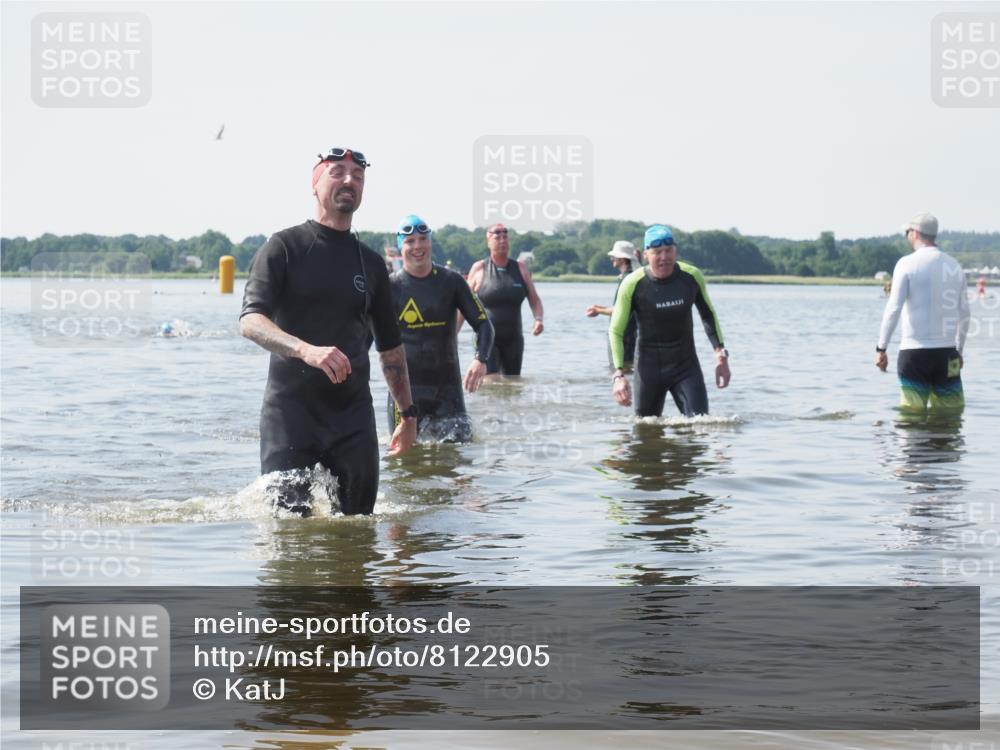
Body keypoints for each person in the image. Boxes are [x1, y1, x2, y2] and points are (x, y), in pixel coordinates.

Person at [239, 147, 416, 517]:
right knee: (289, 535)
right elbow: (251, 321)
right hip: (290, 416)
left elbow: (391, 350)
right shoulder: (283, 247)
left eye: (358, 176)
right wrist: (306, 350)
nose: (349, 180)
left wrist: (407, 415)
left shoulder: (371, 264)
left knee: (359, 530)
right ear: (314, 183)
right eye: (337, 172)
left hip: (353, 419)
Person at [388, 214, 495, 442]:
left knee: (459, 456)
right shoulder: (390, 287)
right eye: (410, 241)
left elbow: (484, 324)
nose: (417, 246)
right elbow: (366, 337)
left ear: (430, 242)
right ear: (401, 246)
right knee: (402, 459)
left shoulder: (452, 281)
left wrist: (480, 359)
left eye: (422, 239)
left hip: (448, 392)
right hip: (405, 395)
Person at [609, 224, 731, 417]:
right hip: (648, 369)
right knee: (645, 430)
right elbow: (616, 331)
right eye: (658, 252)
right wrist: (618, 375)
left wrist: (720, 355)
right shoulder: (632, 284)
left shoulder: (691, 277)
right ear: (646, 255)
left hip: (686, 367)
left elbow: (708, 314)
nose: (664, 257)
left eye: (668, 251)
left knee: (700, 424)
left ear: (676, 251)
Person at [876, 212, 970, 414]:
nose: (907, 235)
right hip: (947, 354)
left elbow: (893, 308)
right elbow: (964, 314)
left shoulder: (906, 264)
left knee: (911, 418)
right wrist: (959, 351)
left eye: (907, 231)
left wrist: (881, 348)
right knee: (950, 418)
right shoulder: (954, 266)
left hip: (914, 354)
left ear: (915, 233)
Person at [466, 223, 544, 376]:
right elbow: (463, 305)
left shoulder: (520, 268)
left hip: (514, 339)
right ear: (488, 241)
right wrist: (452, 333)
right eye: (498, 237)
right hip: (487, 338)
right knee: (491, 381)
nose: (502, 240)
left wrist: (538, 319)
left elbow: (534, 300)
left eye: (505, 237)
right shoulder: (479, 268)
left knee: (512, 383)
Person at [586, 240, 641, 368]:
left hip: (622, 335)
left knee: (619, 368)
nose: (611, 259)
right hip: (629, 334)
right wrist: (599, 307)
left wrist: (598, 311)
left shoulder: (627, 279)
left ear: (622, 259)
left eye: (614, 256)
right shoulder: (631, 277)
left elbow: (619, 310)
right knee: (628, 368)